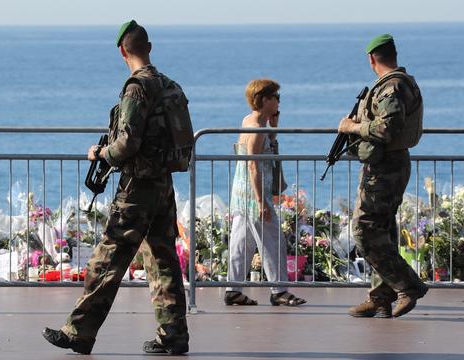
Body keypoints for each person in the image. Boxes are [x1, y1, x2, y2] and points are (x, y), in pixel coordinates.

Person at [42, 20, 189, 355]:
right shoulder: (170, 85)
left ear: (123, 53)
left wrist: (100, 153)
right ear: (149, 47)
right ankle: (174, 335)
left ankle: (79, 331)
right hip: (163, 183)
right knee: (163, 258)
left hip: (137, 187)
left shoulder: (136, 88)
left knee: (108, 256)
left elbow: (127, 143)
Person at [338, 34, 428, 318]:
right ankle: (381, 296)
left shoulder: (393, 86)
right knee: (383, 229)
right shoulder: (397, 83)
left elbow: (386, 129)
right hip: (386, 163)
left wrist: (352, 128)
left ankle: (408, 286)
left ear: (372, 58)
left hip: (385, 166)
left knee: (364, 230)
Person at [225, 79, 306, 307]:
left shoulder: (251, 121)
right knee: (273, 241)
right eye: (276, 97)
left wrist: (273, 128)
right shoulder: (257, 127)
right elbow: (253, 163)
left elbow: (264, 147)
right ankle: (279, 289)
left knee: (242, 243)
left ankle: (233, 288)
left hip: (242, 194)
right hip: (254, 196)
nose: (279, 101)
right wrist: (261, 201)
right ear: (264, 100)